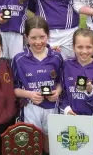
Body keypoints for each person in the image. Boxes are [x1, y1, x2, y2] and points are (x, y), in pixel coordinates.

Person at [12, 16, 63, 154]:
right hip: (31, 108)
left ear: (48, 35)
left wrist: (57, 92)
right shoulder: (19, 59)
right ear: (26, 37)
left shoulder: (56, 57)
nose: (38, 42)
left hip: (52, 107)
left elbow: (61, 82)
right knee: (33, 142)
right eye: (33, 38)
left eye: (42, 37)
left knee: (50, 141)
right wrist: (29, 94)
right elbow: (14, 89)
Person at [60, 28, 93, 116]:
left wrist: (91, 90)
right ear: (73, 47)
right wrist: (66, 108)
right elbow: (61, 91)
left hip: (90, 119)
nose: (84, 51)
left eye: (88, 47)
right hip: (69, 115)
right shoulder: (66, 65)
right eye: (80, 47)